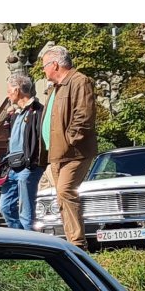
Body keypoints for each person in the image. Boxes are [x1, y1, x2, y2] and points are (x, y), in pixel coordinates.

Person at [40, 45, 97, 248]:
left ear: (55, 64)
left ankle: (77, 245)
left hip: (74, 151)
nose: (43, 70)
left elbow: (84, 114)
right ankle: (71, 242)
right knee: (62, 197)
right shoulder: (55, 88)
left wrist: (71, 139)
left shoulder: (79, 81)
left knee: (65, 191)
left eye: (44, 65)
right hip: (56, 153)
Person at [0, 72, 46, 232]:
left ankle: (31, 247)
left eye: (8, 91)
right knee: (5, 207)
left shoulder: (38, 112)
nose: (7, 95)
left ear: (17, 90)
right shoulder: (15, 114)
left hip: (28, 167)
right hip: (12, 167)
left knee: (26, 212)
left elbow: (42, 138)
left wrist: (36, 161)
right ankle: (22, 239)